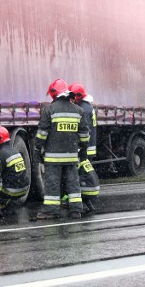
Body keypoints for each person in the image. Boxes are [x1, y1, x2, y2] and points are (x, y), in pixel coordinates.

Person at [34, 78, 90, 219]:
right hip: (71, 156)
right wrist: (83, 150)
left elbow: (42, 134)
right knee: (73, 182)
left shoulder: (49, 110)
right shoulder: (79, 111)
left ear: (54, 93)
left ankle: (51, 210)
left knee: (53, 183)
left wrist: (37, 149)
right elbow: (84, 135)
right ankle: (76, 209)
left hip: (53, 157)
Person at [68, 82, 100, 214]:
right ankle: (88, 203)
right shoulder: (88, 106)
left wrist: (79, 148)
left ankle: (85, 202)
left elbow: (82, 131)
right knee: (85, 174)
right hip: (89, 147)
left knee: (82, 176)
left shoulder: (82, 109)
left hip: (85, 149)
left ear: (77, 96)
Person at [0, 126, 30, 217]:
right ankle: (7, 201)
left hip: (11, 191)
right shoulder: (14, 151)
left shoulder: (0, 154)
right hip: (24, 190)